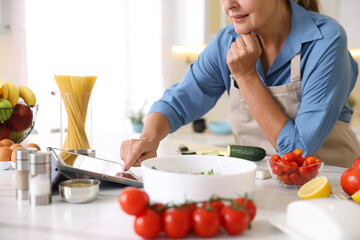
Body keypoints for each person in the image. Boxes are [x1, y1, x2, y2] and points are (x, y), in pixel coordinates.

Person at [121, 0, 360, 169]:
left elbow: (296, 151)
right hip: (260, 185)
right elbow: (177, 102)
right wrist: (148, 139)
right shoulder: (226, 41)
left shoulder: (325, 39)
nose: (228, 5)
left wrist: (247, 76)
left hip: (329, 188)